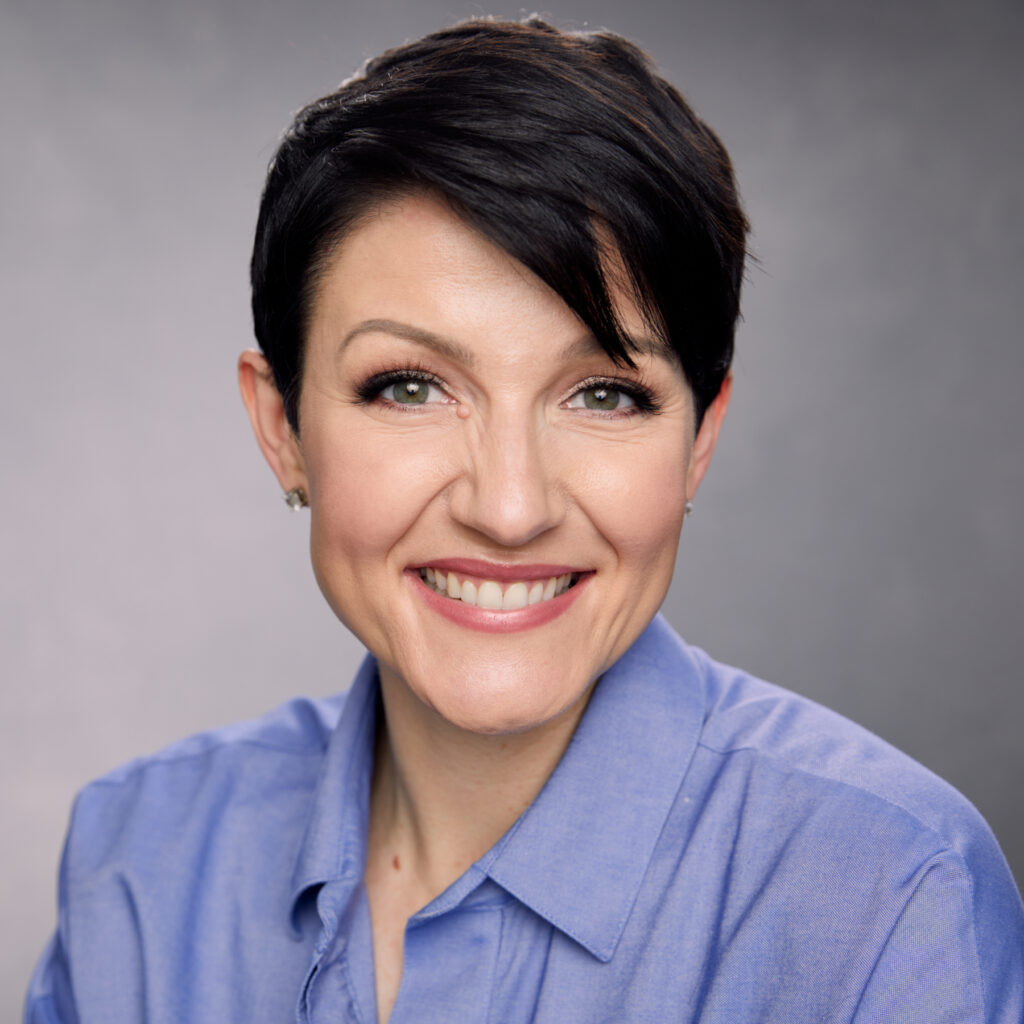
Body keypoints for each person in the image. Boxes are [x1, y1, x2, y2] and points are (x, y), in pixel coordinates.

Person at [25, 16, 1024, 1024]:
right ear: (281, 425)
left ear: (699, 439)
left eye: (602, 394)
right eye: (409, 386)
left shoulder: (894, 893)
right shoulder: (136, 869)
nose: (509, 509)